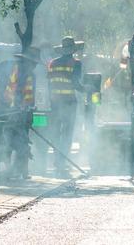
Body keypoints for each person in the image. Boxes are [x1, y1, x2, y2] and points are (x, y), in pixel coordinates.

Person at [0, 47, 41, 179]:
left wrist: (29, 108)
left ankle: (19, 171)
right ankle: (12, 171)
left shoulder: (9, 65)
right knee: (16, 142)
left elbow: (29, 97)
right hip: (8, 113)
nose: (35, 66)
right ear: (27, 60)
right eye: (34, 63)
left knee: (13, 141)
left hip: (18, 112)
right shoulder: (25, 73)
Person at [48, 37, 84, 177]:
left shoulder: (52, 63)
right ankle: (62, 162)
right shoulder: (76, 63)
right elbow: (75, 83)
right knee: (67, 134)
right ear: (73, 50)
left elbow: (49, 83)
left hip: (55, 103)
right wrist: (86, 89)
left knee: (56, 134)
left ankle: (57, 161)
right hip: (69, 103)